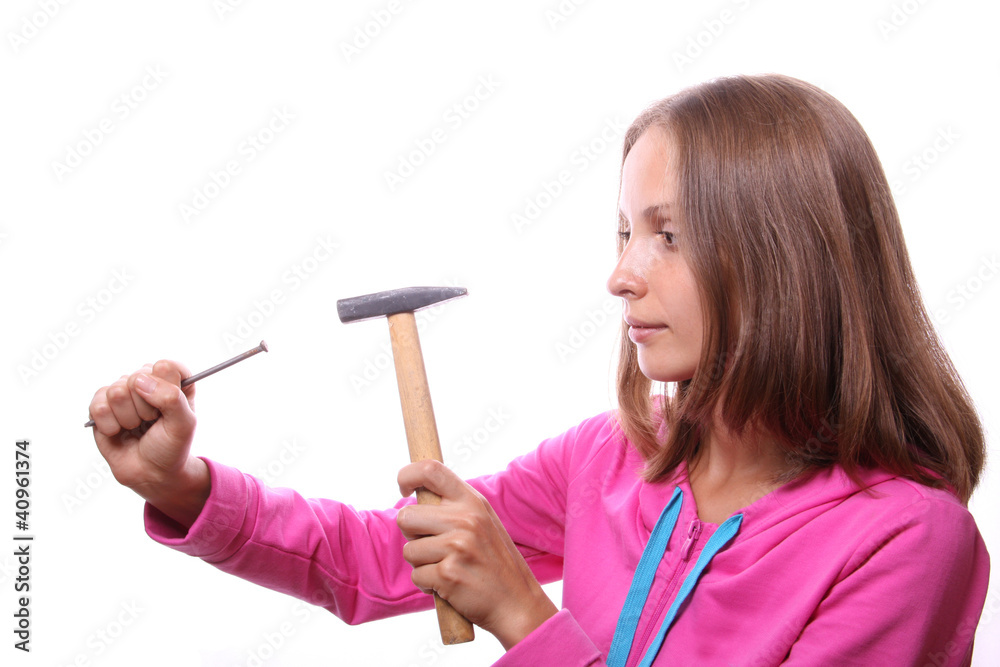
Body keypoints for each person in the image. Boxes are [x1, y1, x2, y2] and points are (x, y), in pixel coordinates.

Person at [88, 74, 990, 665]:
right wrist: (183, 484)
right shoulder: (608, 459)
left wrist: (527, 620)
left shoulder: (907, 542)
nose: (621, 273)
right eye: (625, 230)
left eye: (668, 235)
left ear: (784, 257)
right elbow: (373, 559)